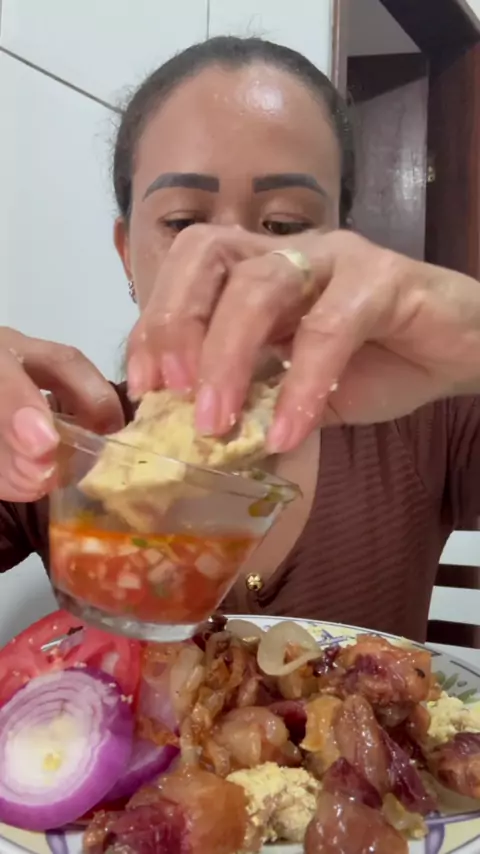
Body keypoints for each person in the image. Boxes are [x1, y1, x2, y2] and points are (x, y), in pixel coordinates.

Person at [1, 36, 480, 642]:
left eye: (284, 224)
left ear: (342, 243)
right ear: (127, 253)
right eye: (182, 223)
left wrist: (468, 333)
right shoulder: (63, 448)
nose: (229, 259)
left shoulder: (426, 428)